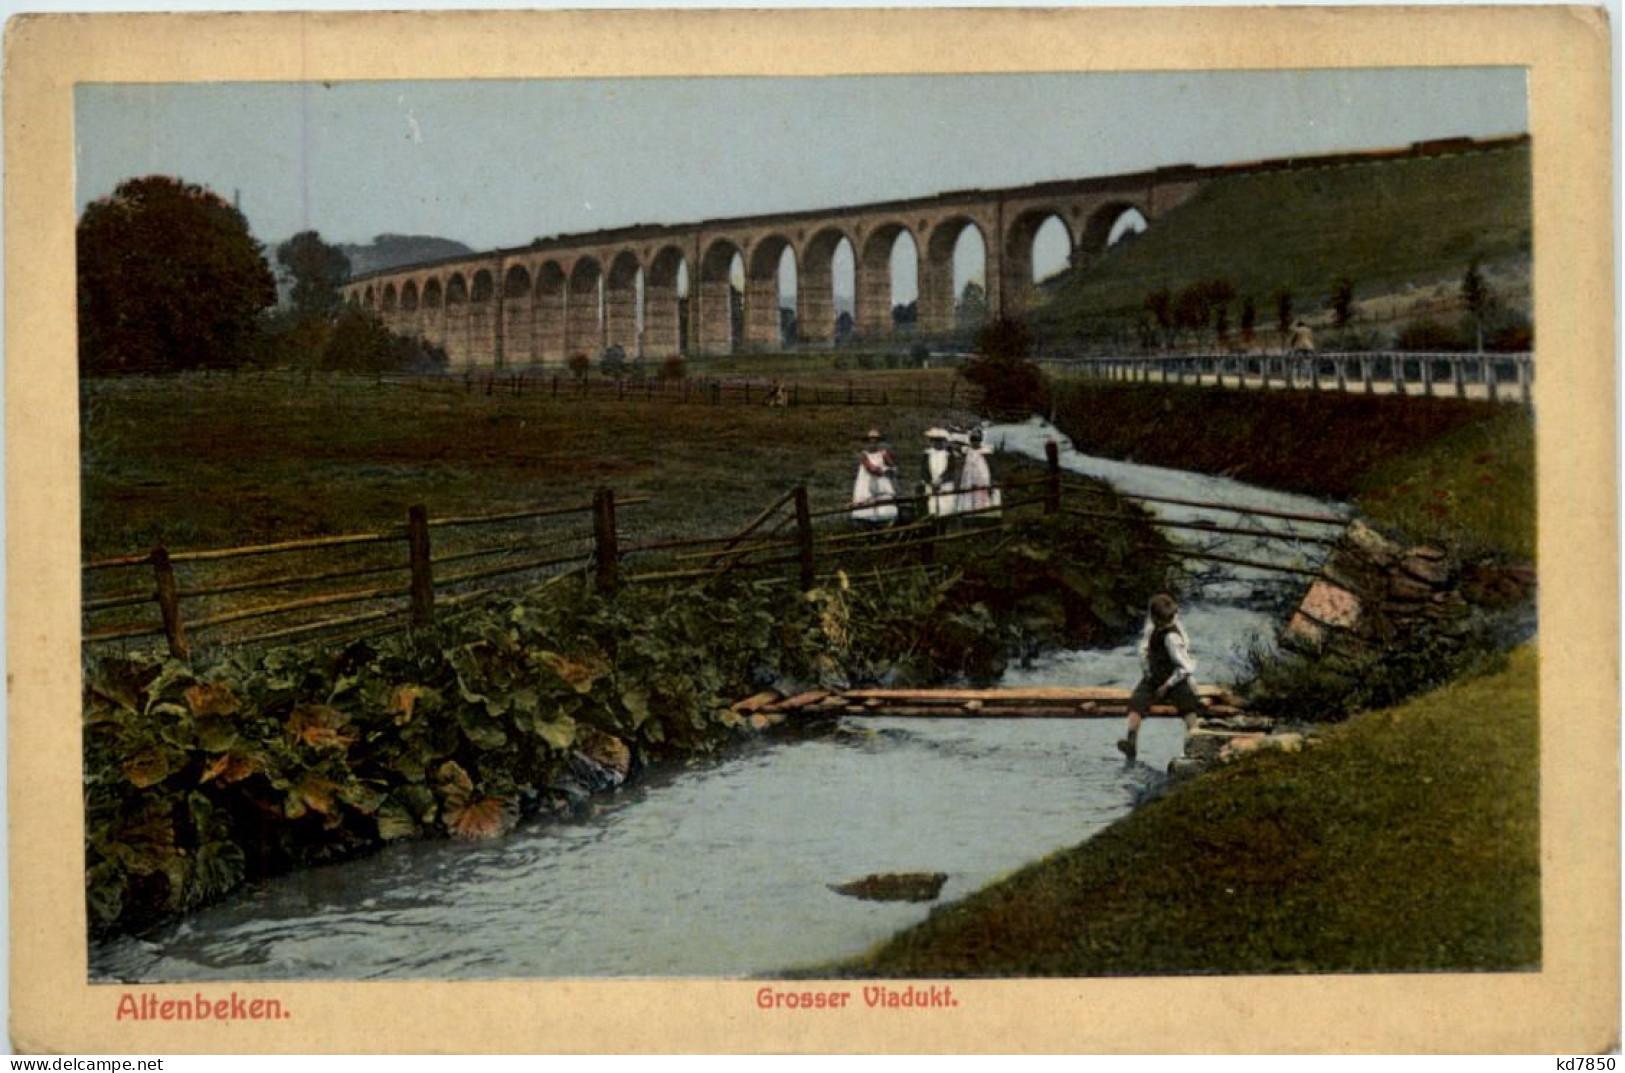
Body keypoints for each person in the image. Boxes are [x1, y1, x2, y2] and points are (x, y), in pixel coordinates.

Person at [1117, 593, 1204, 761]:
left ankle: (1196, 743)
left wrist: (1168, 685)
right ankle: (1131, 740)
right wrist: (1148, 673)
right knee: (1137, 702)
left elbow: (1185, 666)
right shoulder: (1151, 629)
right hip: (1156, 675)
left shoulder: (1173, 636)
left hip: (1176, 677)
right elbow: (1144, 651)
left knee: (1189, 706)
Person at [850, 428, 899, 528]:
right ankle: (867, 523)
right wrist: (883, 470)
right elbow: (870, 468)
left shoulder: (883, 453)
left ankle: (885, 522)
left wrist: (892, 469)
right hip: (867, 482)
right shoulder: (864, 455)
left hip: (882, 482)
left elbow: (892, 465)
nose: (873, 443)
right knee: (866, 503)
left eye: (876, 441)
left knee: (885, 501)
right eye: (871, 441)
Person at [955, 427, 998, 518]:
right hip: (968, 477)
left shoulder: (986, 452)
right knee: (968, 495)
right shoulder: (967, 451)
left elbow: (992, 467)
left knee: (981, 496)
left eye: (977, 439)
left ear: (980, 440)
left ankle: (982, 515)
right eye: (973, 439)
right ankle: (968, 516)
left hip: (982, 477)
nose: (974, 442)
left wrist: (991, 481)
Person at [921, 428, 959, 518]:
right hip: (931, 485)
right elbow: (924, 470)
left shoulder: (949, 454)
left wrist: (941, 480)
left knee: (945, 508)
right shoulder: (927, 454)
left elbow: (951, 469)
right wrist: (930, 482)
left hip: (945, 484)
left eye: (940, 441)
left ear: (945, 442)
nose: (938, 443)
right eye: (935, 441)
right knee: (933, 507)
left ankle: (945, 522)